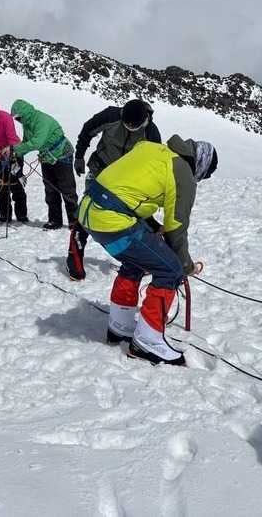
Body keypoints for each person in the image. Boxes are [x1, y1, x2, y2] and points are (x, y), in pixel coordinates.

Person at [77, 135, 218, 366]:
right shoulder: (183, 174)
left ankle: (120, 325)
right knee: (170, 270)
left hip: (89, 211)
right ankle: (147, 342)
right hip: (112, 220)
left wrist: (152, 228)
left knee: (135, 260)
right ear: (201, 166)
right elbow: (177, 227)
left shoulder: (152, 148)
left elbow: (130, 190)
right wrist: (185, 266)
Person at [67, 99, 162, 280]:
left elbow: (154, 163)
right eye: (126, 124)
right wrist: (79, 156)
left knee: (131, 217)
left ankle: (141, 260)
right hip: (100, 169)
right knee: (88, 212)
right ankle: (74, 259)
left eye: (134, 127)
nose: (129, 128)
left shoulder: (151, 133)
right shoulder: (111, 115)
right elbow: (87, 130)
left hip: (126, 180)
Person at [10, 99, 79, 230]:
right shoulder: (27, 124)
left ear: (24, 113)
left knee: (67, 189)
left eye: (18, 117)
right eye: (15, 118)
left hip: (62, 154)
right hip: (47, 157)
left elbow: (37, 142)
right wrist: (15, 153)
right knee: (50, 189)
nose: (17, 120)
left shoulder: (42, 120)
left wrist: (14, 148)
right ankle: (54, 220)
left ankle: (75, 220)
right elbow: (26, 142)